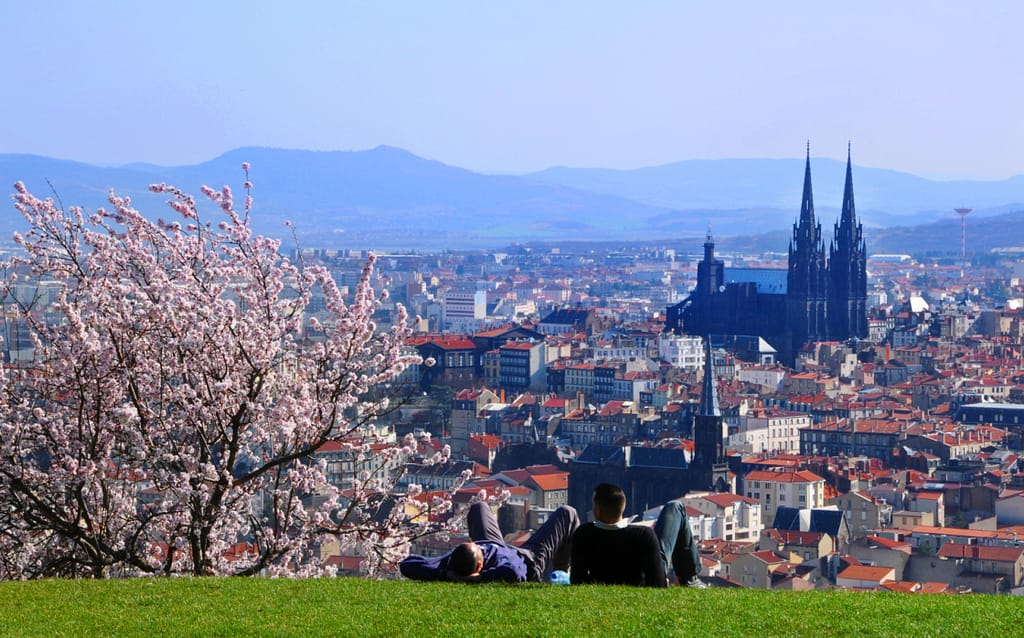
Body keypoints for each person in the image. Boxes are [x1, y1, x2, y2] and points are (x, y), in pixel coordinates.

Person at [400, 501, 579, 583]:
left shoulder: (448, 563)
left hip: (491, 543)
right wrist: (478, 579)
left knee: (480, 507)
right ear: (479, 565)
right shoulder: (505, 563)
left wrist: (446, 574)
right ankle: (561, 575)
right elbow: (514, 572)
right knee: (567, 513)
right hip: (529, 558)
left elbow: (407, 564)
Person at [571, 483, 708, 588]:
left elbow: (577, 579)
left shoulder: (583, 533)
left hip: (604, 577)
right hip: (645, 575)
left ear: (598, 511)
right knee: (675, 507)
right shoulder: (642, 535)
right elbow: (658, 583)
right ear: (623, 507)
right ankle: (690, 579)